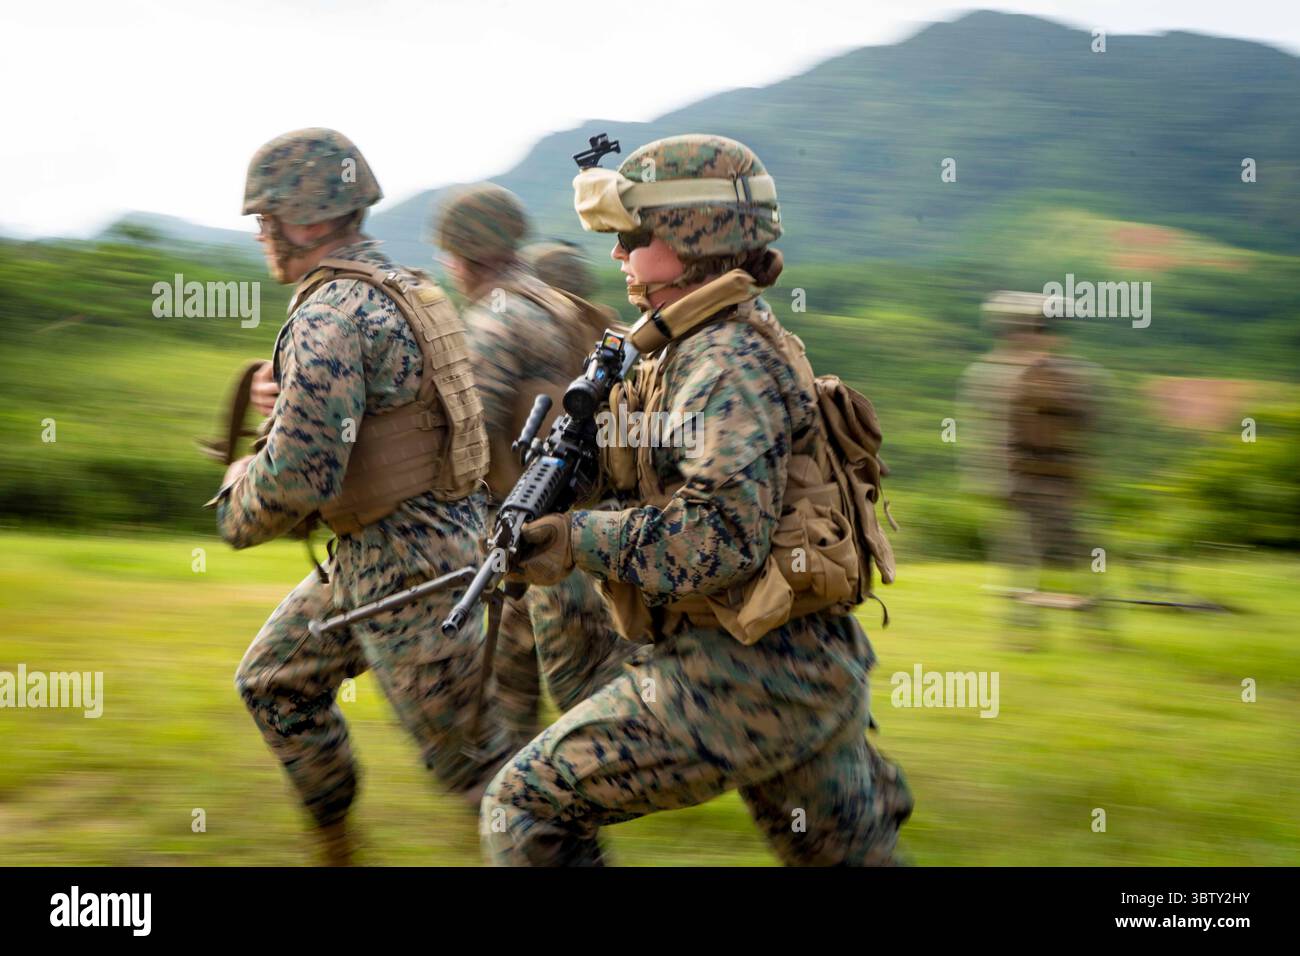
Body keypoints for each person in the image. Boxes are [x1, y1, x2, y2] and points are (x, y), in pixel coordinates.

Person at [480, 134, 912, 866]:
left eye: (635, 237)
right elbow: (656, 471)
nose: (618, 256)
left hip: (745, 676)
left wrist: (577, 540)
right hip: (793, 664)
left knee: (522, 810)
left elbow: (716, 538)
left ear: (691, 239)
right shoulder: (686, 345)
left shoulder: (723, 362)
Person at [214, 129, 510, 864]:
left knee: (489, 778)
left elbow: (298, 479)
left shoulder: (330, 314)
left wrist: (234, 501)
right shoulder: (403, 287)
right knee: (275, 681)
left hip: (408, 570)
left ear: (306, 221)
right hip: (404, 551)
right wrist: (281, 406)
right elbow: (388, 414)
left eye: (266, 218)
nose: (261, 234)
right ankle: (338, 851)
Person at [434, 186, 636, 755]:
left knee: (584, 688)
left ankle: (553, 802)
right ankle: (512, 775)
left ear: (462, 256)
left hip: (543, 529)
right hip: (595, 520)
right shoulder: (562, 304)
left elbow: (465, 432)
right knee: (515, 661)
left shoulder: (495, 319)